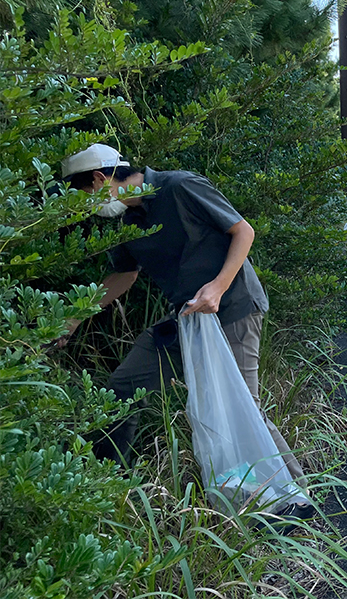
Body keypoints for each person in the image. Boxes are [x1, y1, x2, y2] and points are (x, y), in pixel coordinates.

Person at [60, 143, 308, 491]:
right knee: (122, 388)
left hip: (233, 307)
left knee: (242, 409)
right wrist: (74, 316)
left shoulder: (179, 187)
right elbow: (124, 276)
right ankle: (112, 483)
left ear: (100, 179)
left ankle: (297, 499)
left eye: (85, 196)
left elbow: (243, 231)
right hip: (186, 318)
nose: (87, 208)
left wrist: (218, 288)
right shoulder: (129, 221)